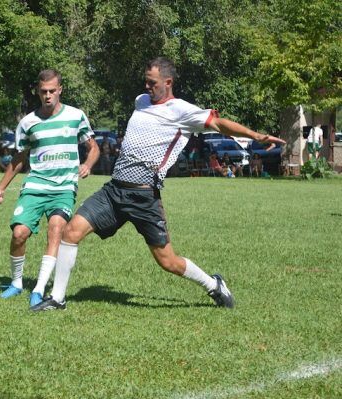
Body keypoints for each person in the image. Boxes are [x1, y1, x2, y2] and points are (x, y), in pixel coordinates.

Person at [31, 57, 285, 311]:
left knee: (168, 261)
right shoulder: (141, 102)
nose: (147, 86)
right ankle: (57, 298)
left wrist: (256, 136)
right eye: (146, 81)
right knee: (71, 232)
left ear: (168, 82)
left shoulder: (182, 111)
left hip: (144, 197)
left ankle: (213, 285)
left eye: (152, 83)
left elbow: (219, 124)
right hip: (115, 190)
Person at [0, 69, 100, 307]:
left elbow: (93, 148)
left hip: (64, 187)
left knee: (56, 228)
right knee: (19, 234)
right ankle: (17, 283)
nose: (48, 95)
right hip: (35, 185)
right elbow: (19, 160)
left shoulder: (76, 116)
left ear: (60, 89)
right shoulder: (28, 122)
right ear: (37, 92)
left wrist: (88, 165)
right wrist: (0, 188)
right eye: (43, 92)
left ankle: (39, 289)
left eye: (52, 90)